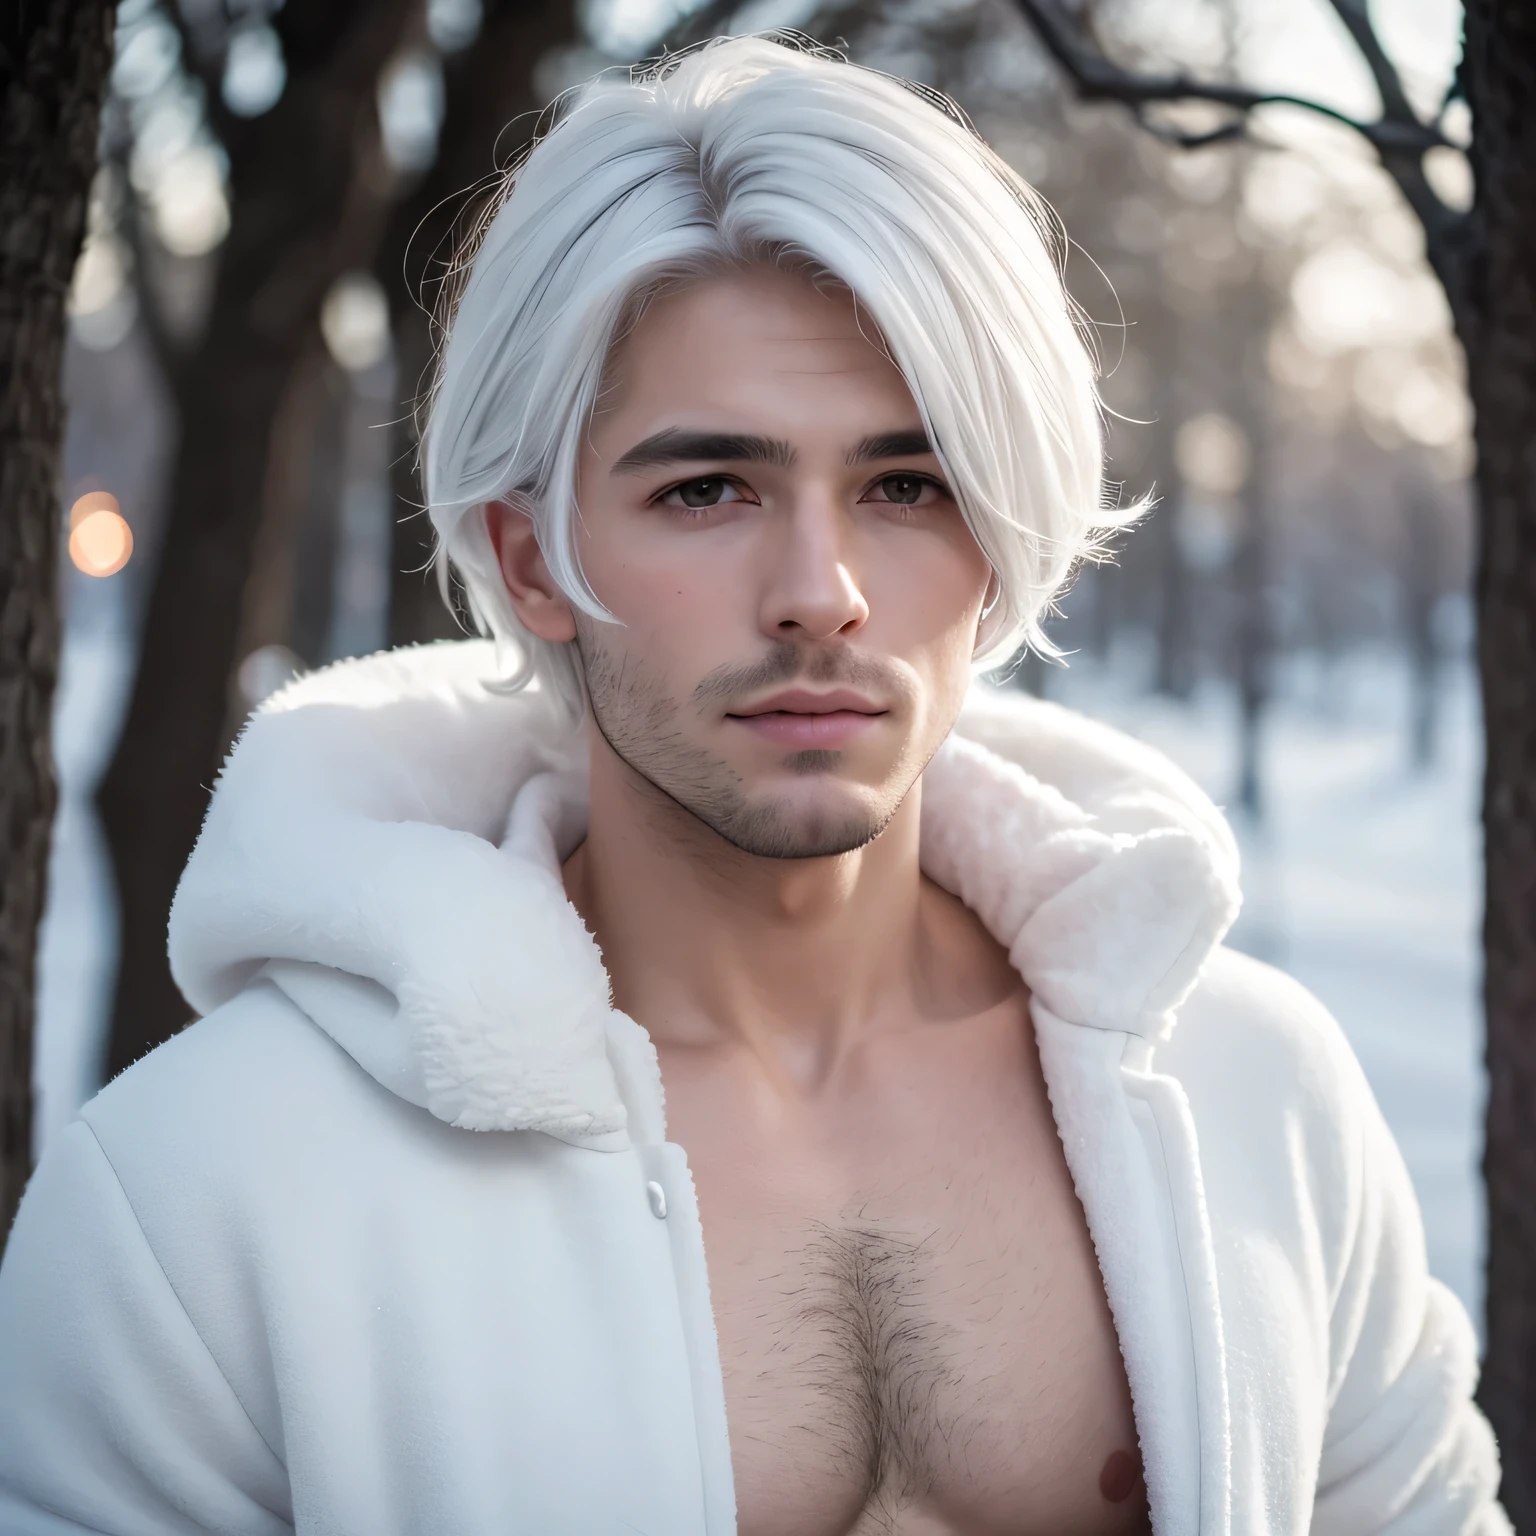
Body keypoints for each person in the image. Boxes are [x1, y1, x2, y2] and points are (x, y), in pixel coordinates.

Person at [0, 34, 1508, 1536]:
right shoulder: (200, 1192)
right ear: (534, 558)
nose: (819, 592)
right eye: (707, 488)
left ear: (1002, 545)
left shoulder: (1256, 1097)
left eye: (906, 486)